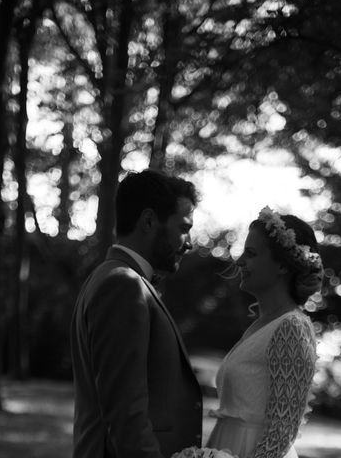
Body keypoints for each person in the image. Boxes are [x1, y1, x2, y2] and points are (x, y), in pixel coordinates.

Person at [70, 169, 203, 458]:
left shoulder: (113, 277)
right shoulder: (123, 285)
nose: (190, 242)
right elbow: (125, 415)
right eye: (183, 228)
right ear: (149, 221)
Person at [206, 206, 322, 458]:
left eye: (251, 253)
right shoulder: (262, 325)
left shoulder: (292, 328)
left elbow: (281, 433)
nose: (239, 261)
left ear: (282, 266)